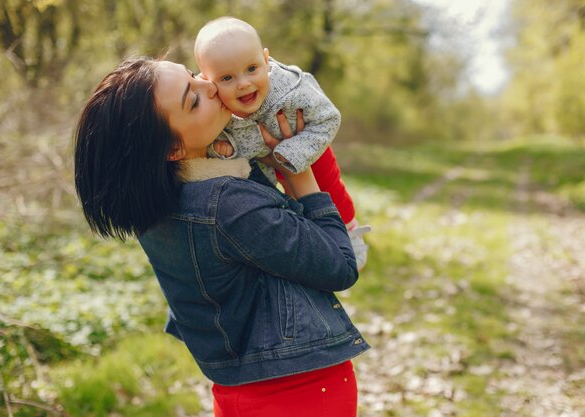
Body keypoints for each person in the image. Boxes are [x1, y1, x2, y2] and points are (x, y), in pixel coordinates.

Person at [73, 57, 370, 417]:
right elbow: (341, 265)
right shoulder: (229, 205)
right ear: (172, 150)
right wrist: (300, 170)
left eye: (192, 75)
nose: (210, 86)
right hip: (300, 392)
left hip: (238, 393)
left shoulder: (157, 209)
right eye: (193, 100)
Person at [194, 17, 370, 269]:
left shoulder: (292, 89)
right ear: (207, 80)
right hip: (265, 167)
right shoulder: (217, 110)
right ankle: (308, 242)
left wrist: (291, 151)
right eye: (226, 78)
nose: (243, 83)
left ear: (266, 60)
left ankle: (349, 228)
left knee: (326, 182)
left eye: (252, 68)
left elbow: (329, 118)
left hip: (304, 144)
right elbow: (216, 139)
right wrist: (225, 147)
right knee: (271, 201)